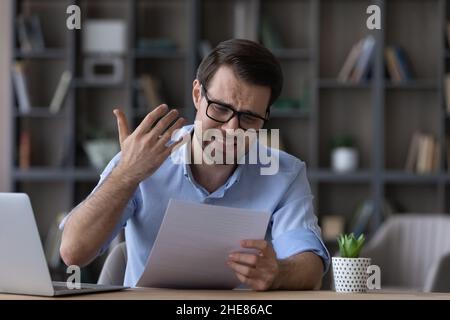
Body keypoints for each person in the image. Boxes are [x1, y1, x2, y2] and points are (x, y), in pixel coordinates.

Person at [60, 39, 330, 291]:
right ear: (198, 95)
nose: (231, 129)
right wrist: (126, 174)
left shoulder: (284, 173)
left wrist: (279, 272)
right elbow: (74, 252)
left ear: (265, 117)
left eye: (248, 117)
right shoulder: (140, 157)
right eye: (220, 109)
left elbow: (311, 266)